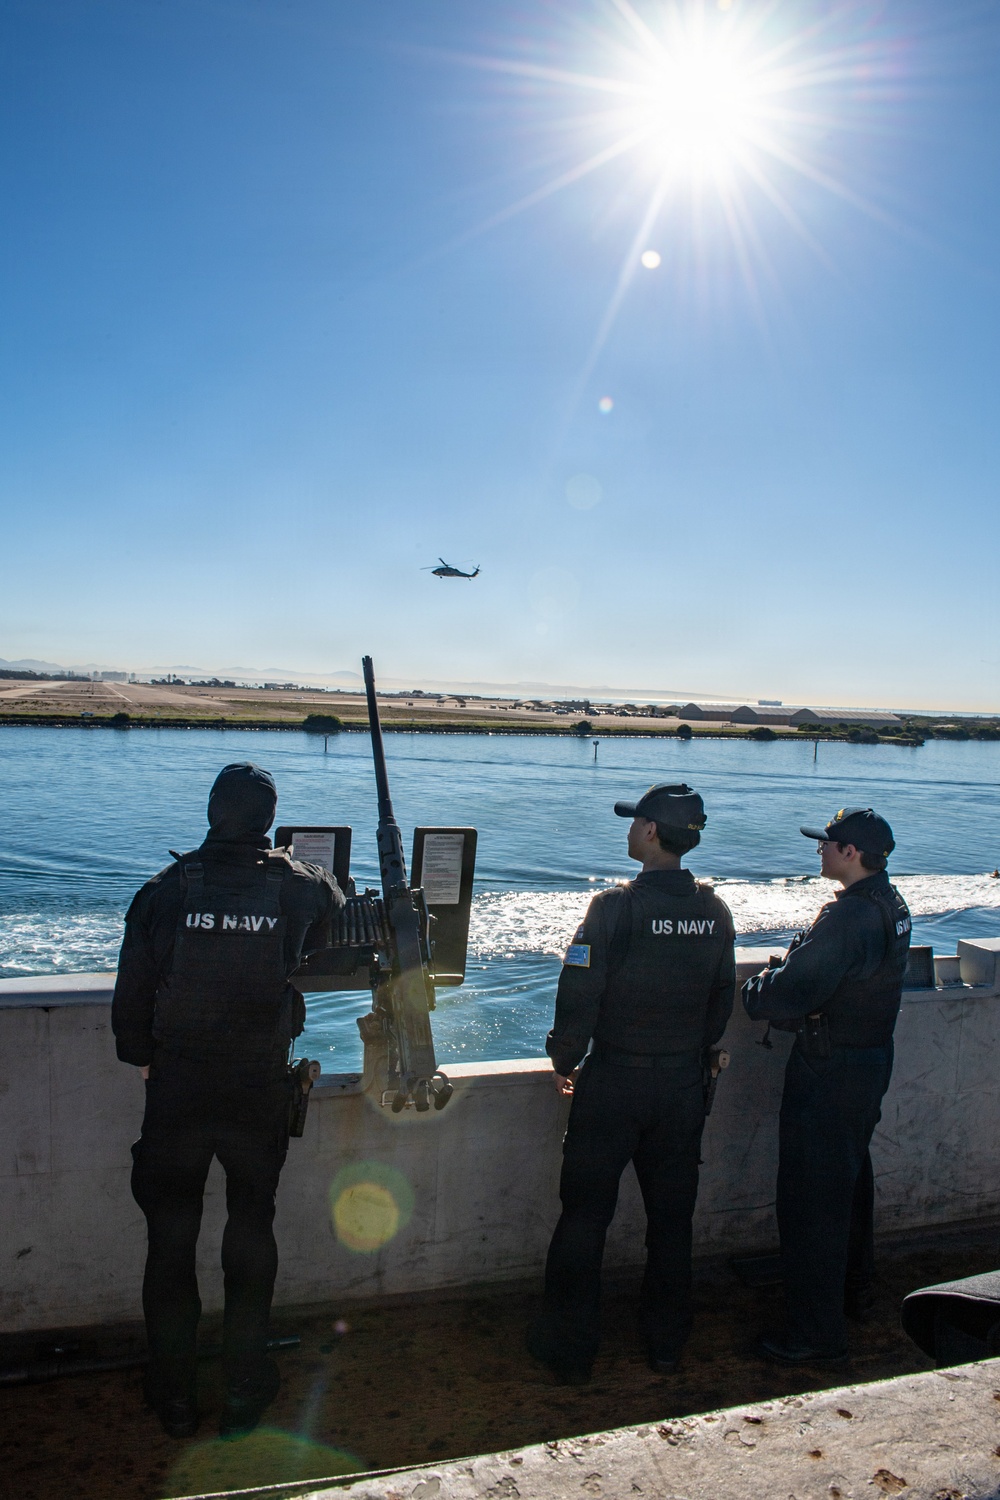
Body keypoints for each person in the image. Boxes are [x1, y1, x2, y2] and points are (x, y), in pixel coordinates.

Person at [112, 762, 342, 1439]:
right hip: (255, 1089)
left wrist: (147, 1061)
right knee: (251, 1232)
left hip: (179, 1089)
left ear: (211, 811)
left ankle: (174, 1393)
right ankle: (245, 1390)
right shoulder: (299, 888)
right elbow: (326, 917)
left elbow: (132, 1001)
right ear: (269, 821)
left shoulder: (165, 889)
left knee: (170, 1240)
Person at [528, 783, 736, 1384]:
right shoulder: (714, 910)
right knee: (672, 1223)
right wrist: (693, 1055)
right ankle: (666, 1344)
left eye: (633, 822)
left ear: (649, 833)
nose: (628, 831)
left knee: (584, 1219)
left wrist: (565, 1059)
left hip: (615, 1082)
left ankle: (568, 1350)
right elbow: (722, 996)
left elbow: (578, 994)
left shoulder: (613, 908)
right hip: (680, 1088)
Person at [742, 806, 911, 1365]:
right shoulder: (892, 904)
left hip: (830, 1070)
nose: (820, 850)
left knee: (813, 1199)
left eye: (828, 843)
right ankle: (853, 1293)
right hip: (867, 1062)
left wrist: (760, 986)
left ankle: (814, 1334)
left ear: (851, 853)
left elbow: (788, 993)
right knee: (848, 1183)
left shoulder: (848, 918)